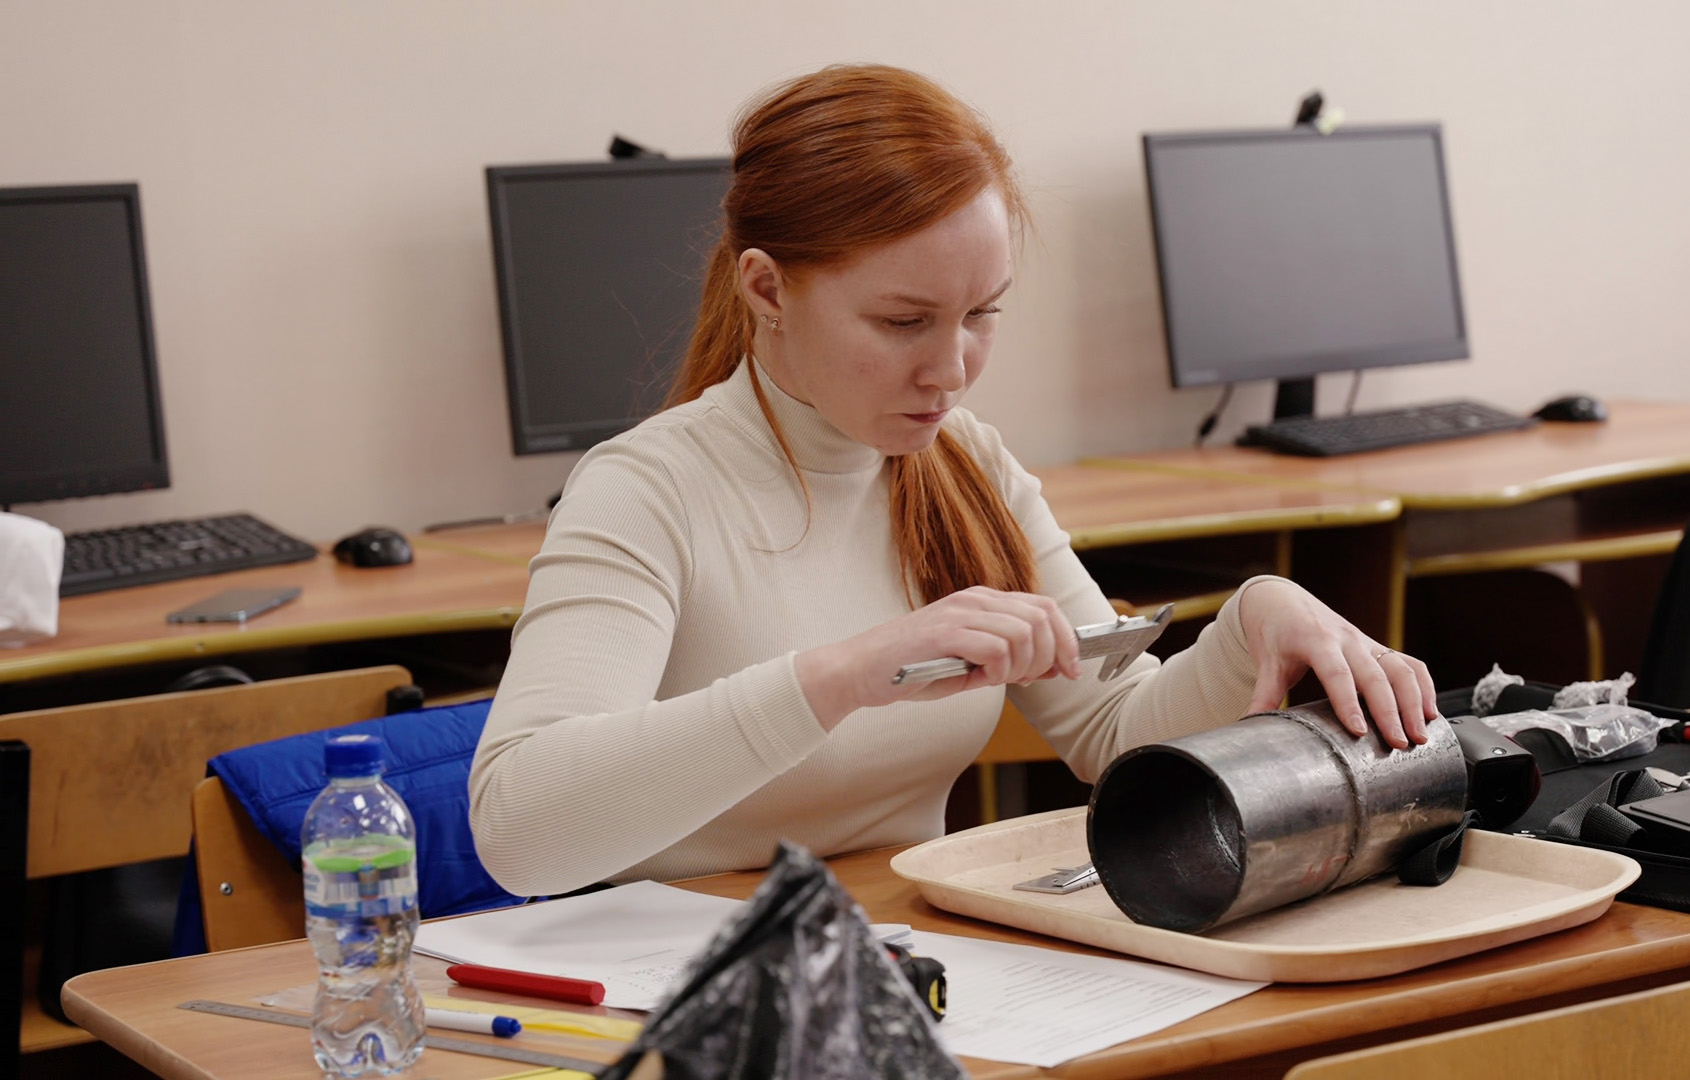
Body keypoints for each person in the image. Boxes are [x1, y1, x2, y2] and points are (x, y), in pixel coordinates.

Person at [469, 64, 1438, 898]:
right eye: (903, 322)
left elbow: (1114, 730)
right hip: (680, 987)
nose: (951, 369)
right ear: (766, 289)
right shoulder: (644, 492)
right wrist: (844, 676)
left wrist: (1254, 619)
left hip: (903, 958)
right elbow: (518, 831)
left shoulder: (965, 464)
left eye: (982, 314)